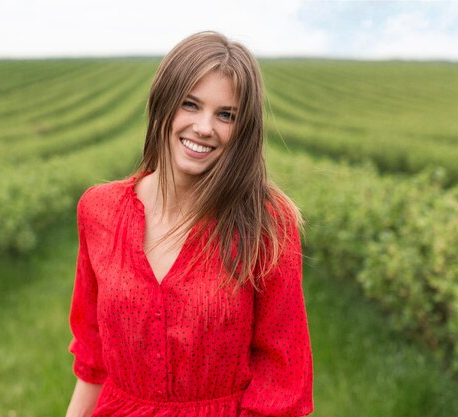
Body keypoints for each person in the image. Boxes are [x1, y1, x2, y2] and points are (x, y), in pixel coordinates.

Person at [65, 31, 313, 417]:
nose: (204, 127)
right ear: (163, 104)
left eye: (225, 114)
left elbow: (282, 377)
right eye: (190, 105)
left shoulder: (267, 224)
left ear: (243, 129)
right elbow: (93, 359)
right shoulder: (99, 210)